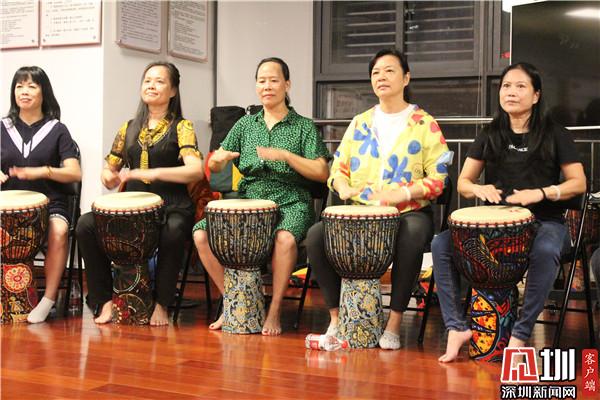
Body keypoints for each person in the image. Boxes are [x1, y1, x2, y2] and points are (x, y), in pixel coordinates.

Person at [431, 62, 587, 362]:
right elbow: (463, 182)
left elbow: (578, 183)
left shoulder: (555, 134)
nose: (511, 92)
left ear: (536, 95)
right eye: (506, 86)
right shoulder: (490, 133)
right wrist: (479, 189)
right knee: (442, 244)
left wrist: (542, 193)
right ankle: (456, 327)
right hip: (496, 227)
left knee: (545, 251)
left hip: (544, 222)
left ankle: (519, 335)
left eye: (520, 86)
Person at [305, 48, 452, 350]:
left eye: (389, 70)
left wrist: (404, 192)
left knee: (411, 236)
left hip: (409, 211)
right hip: (362, 211)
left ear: (406, 78)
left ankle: (394, 322)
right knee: (317, 236)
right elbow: (338, 168)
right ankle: (336, 318)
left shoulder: (424, 123)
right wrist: (342, 185)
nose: (381, 77)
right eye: (375, 72)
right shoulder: (360, 122)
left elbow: (440, 177)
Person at [193, 57, 331, 336]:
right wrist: (218, 161)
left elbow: (321, 171)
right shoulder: (245, 125)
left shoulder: (303, 126)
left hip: (291, 199)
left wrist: (287, 156)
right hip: (250, 200)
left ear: (287, 85)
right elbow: (216, 163)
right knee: (201, 234)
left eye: (273, 80)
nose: (267, 86)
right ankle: (235, 303)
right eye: (261, 81)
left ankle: (274, 310)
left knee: (285, 239)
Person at [76, 62, 203, 326]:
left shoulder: (182, 127)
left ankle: (162, 303)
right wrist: (108, 176)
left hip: (172, 204)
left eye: (159, 81)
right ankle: (105, 300)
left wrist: (155, 173)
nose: (151, 86)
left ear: (173, 90)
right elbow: (109, 170)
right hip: (134, 206)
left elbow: (195, 170)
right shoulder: (129, 128)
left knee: (173, 230)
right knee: (86, 225)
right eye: (147, 81)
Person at [1, 66, 82, 323]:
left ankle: (47, 299)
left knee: (59, 231)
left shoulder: (57, 130)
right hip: (7, 207)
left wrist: (44, 171)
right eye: (19, 86)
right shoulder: (2, 127)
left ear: (43, 92)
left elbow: (74, 173)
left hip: (50, 204)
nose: (24, 91)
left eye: (31, 86)